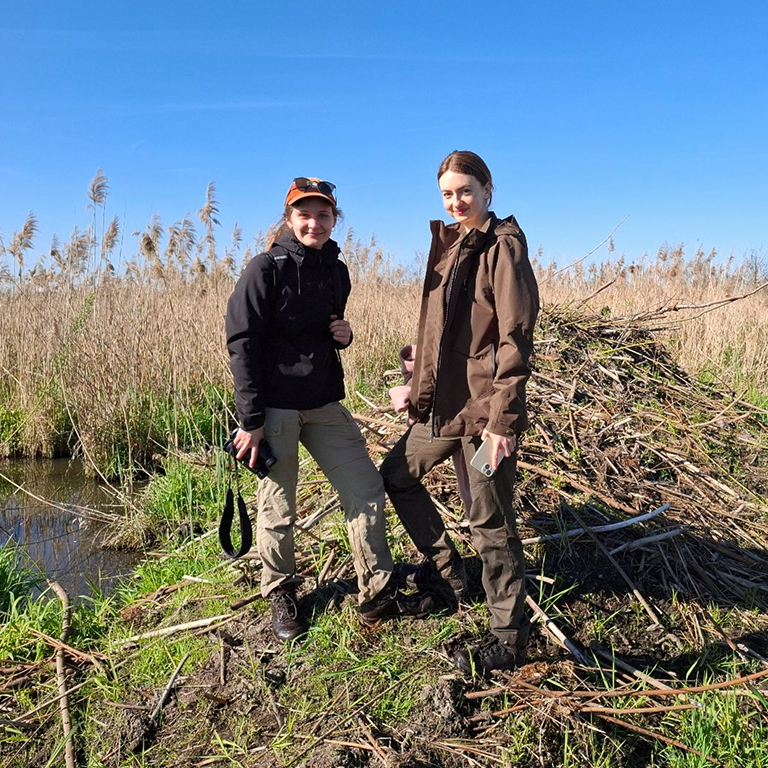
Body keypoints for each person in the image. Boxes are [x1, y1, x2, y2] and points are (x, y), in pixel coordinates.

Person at [225, 177, 431, 642]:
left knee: (366, 488)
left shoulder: (337, 271)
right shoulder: (264, 268)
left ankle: (377, 591)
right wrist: (251, 421)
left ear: (335, 219)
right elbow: (242, 342)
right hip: (274, 409)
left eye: (323, 215)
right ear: (289, 219)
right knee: (278, 505)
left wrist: (345, 335)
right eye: (304, 215)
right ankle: (280, 591)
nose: (313, 223)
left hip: (323, 403)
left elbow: (327, 328)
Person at [381, 151, 539, 675]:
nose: (456, 201)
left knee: (491, 520)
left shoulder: (503, 246)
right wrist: (415, 387)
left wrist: (503, 422)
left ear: (488, 190)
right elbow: (440, 334)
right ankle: (451, 575)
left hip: (485, 409)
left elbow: (515, 338)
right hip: (446, 405)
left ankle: (508, 637)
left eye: (465, 190)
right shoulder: (452, 244)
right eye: (448, 194)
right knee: (397, 474)